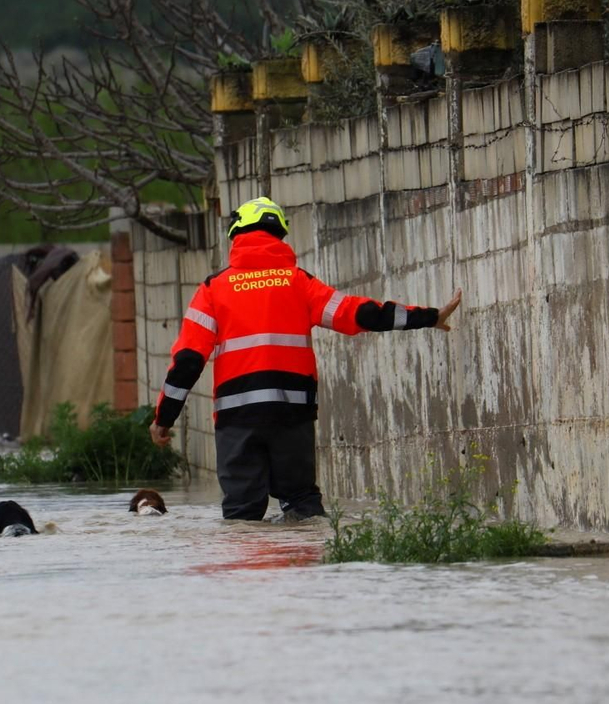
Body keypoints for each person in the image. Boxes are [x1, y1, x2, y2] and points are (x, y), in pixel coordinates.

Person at [149, 197, 461, 521]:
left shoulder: (213, 289)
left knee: (242, 518)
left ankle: (246, 571)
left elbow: (187, 361)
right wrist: (428, 316)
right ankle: (306, 568)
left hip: (237, 419)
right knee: (302, 507)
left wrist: (164, 419)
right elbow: (360, 314)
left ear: (236, 234)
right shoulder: (298, 282)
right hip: (291, 415)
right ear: (279, 236)